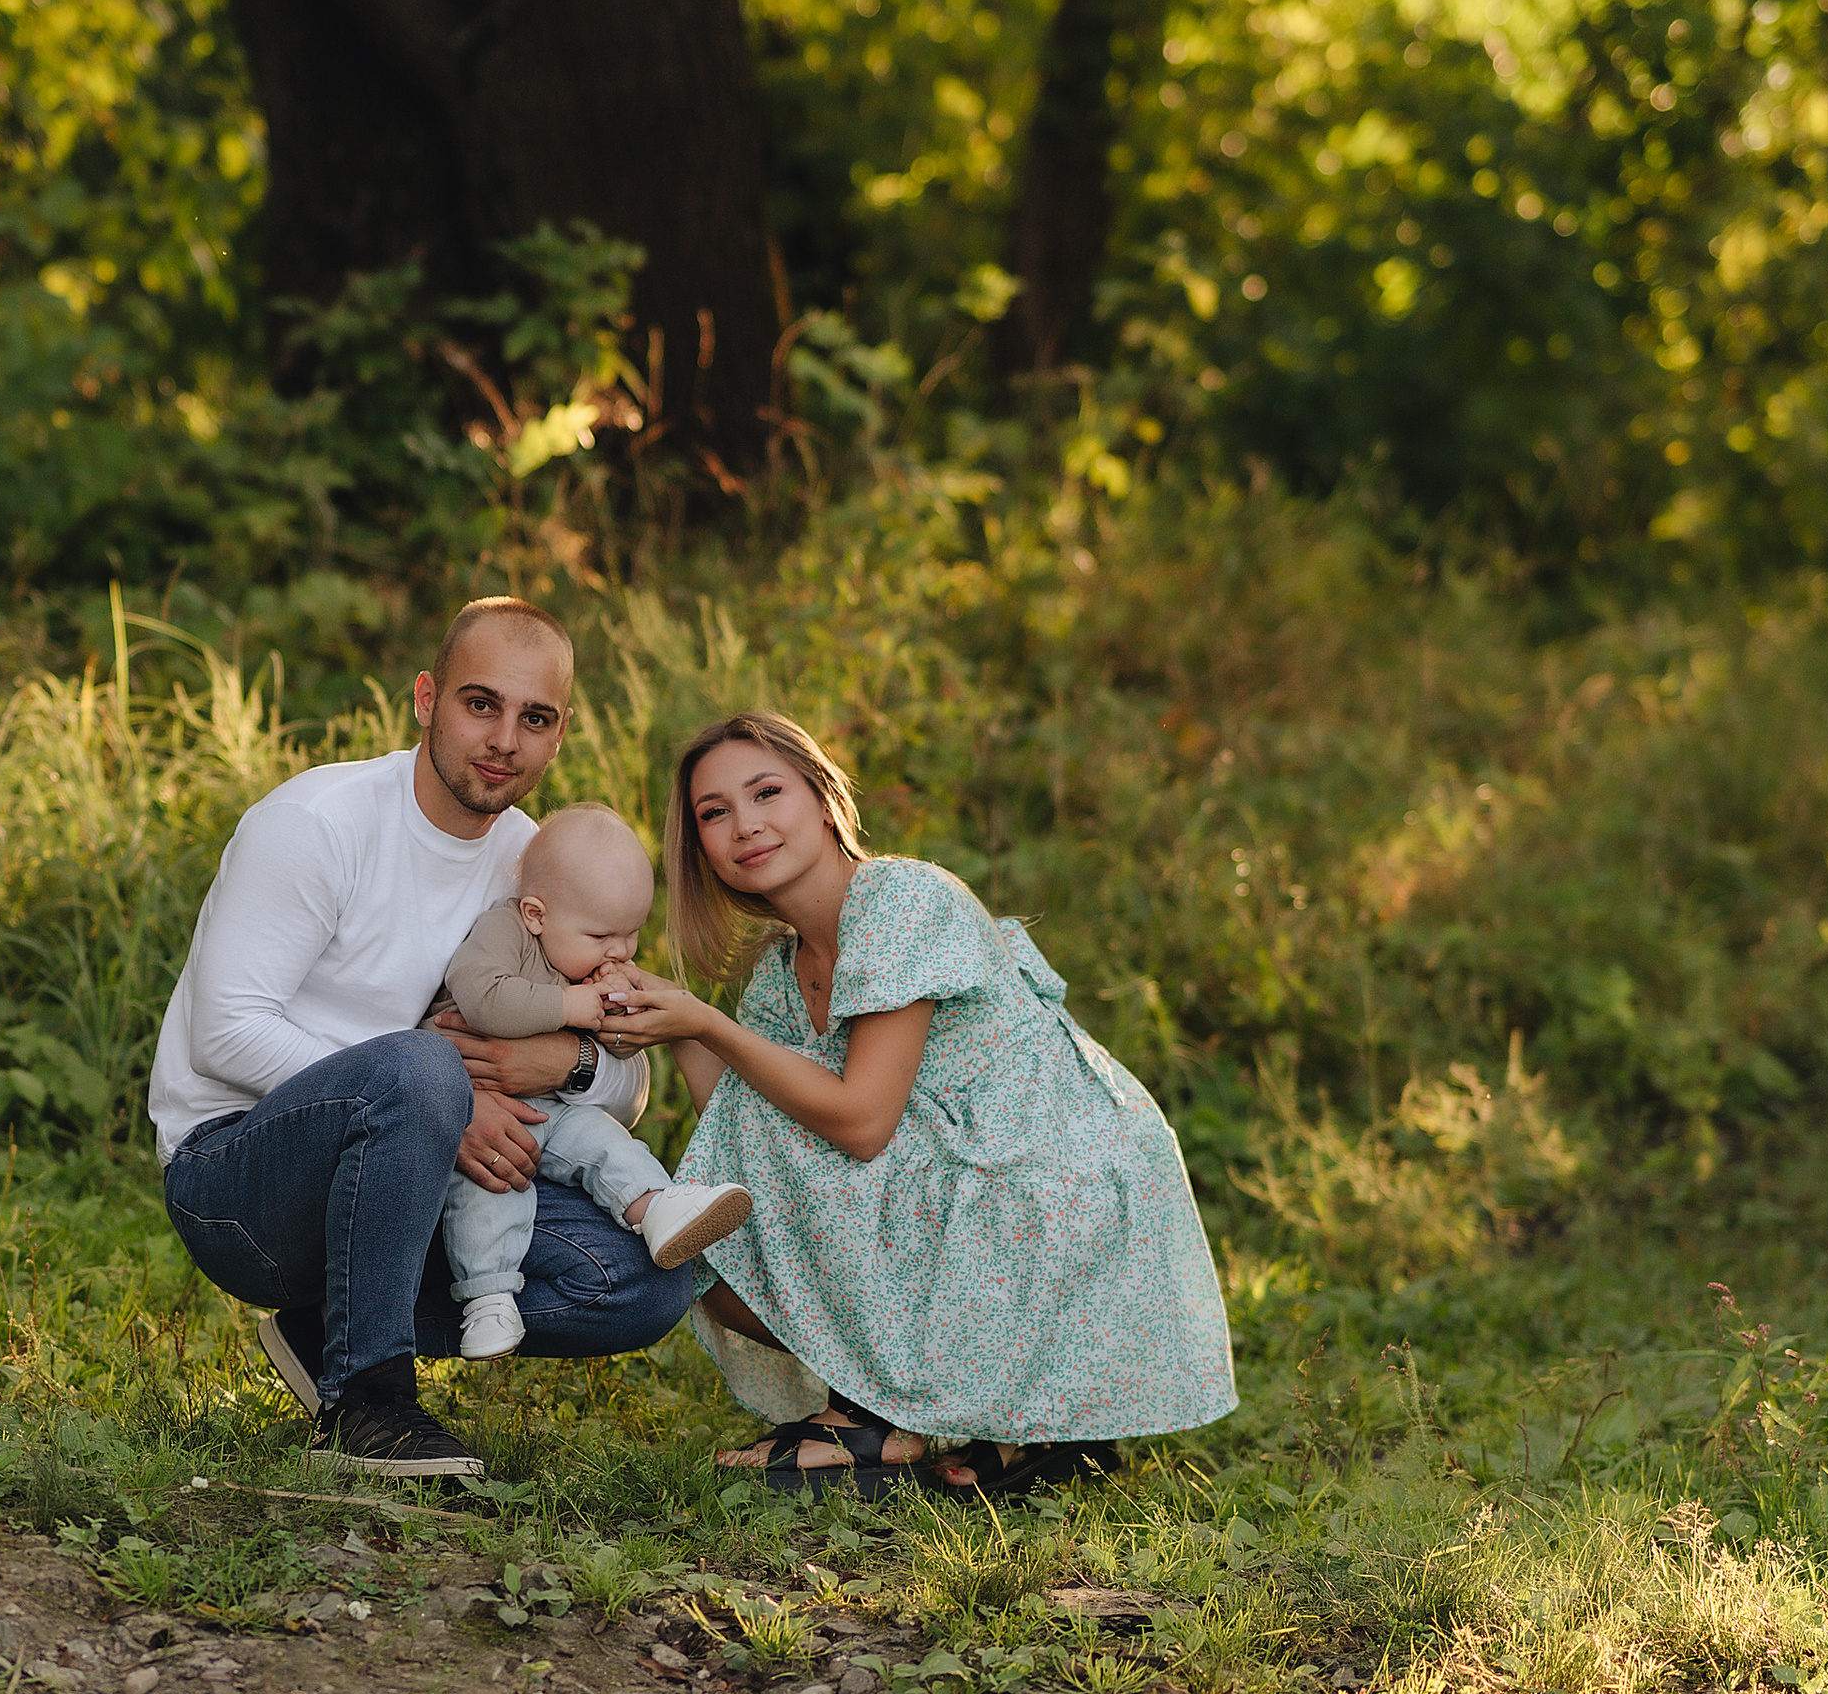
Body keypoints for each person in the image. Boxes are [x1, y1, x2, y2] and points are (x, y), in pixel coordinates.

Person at [599, 710, 1236, 1495]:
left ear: (825, 800)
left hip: (1052, 1187)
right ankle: (914, 1416)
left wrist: (708, 1024)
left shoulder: (900, 900)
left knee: (795, 1150)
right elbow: (746, 1128)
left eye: (767, 792)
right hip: (960, 1186)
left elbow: (862, 1122)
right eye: (714, 813)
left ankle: (875, 1422)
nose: (746, 825)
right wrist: (680, 1028)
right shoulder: (780, 972)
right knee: (716, 1240)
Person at [147, 597, 696, 1477]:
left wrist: (566, 1057)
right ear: (425, 698)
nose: (504, 738)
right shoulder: (318, 822)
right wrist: (444, 1100)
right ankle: (367, 1401)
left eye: (535, 717)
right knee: (421, 1066)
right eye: (481, 703)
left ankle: (328, 1325)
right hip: (240, 1181)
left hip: (416, 1184)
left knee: (644, 1283)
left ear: (559, 738)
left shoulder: (537, 867)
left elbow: (625, 1087)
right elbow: (224, 1035)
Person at [431, 802, 751, 1359]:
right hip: (476, 1114)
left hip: (552, 1111)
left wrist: (618, 1018)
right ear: (536, 914)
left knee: (606, 1143)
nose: (621, 951)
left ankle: (656, 1207)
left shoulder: (580, 955)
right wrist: (573, 1004)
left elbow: (627, 1079)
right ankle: (487, 1300)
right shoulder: (505, 931)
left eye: (632, 934)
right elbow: (482, 1000)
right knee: (493, 1193)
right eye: (603, 934)